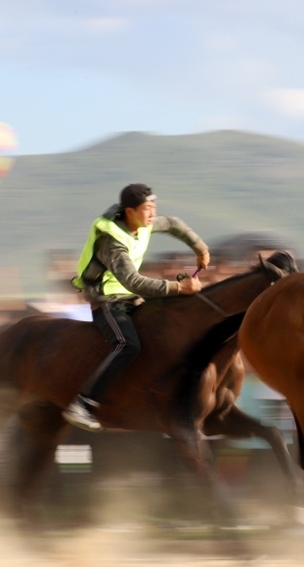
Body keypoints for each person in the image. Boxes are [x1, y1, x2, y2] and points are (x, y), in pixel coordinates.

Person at [64, 183, 210, 431]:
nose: (153, 214)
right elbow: (133, 281)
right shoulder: (112, 242)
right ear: (130, 211)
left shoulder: (145, 222)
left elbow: (173, 223)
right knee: (127, 344)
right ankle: (83, 404)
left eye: (154, 207)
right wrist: (178, 288)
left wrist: (200, 247)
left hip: (131, 297)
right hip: (107, 301)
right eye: (147, 209)